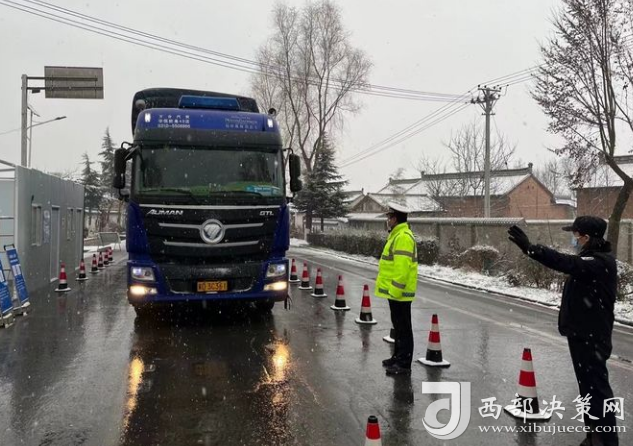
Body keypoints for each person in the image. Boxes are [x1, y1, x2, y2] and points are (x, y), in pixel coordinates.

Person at [508, 217, 618, 446]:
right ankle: (594, 436)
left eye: (576, 235)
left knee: (597, 390)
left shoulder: (598, 262)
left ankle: (606, 440)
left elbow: (565, 262)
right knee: (588, 390)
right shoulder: (591, 259)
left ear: (586, 237)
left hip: (592, 337)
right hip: (583, 335)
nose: (574, 239)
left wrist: (531, 249)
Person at [376, 202, 418, 376]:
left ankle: (404, 364)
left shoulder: (403, 237)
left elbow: (402, 269)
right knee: (398, 327)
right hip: (395, 292)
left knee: (404, 328)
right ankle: (397, 357)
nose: (388, 220)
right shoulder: (397, 235)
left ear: (395, 218)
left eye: (389, 217)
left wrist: (395, 291)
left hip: (399, 293)